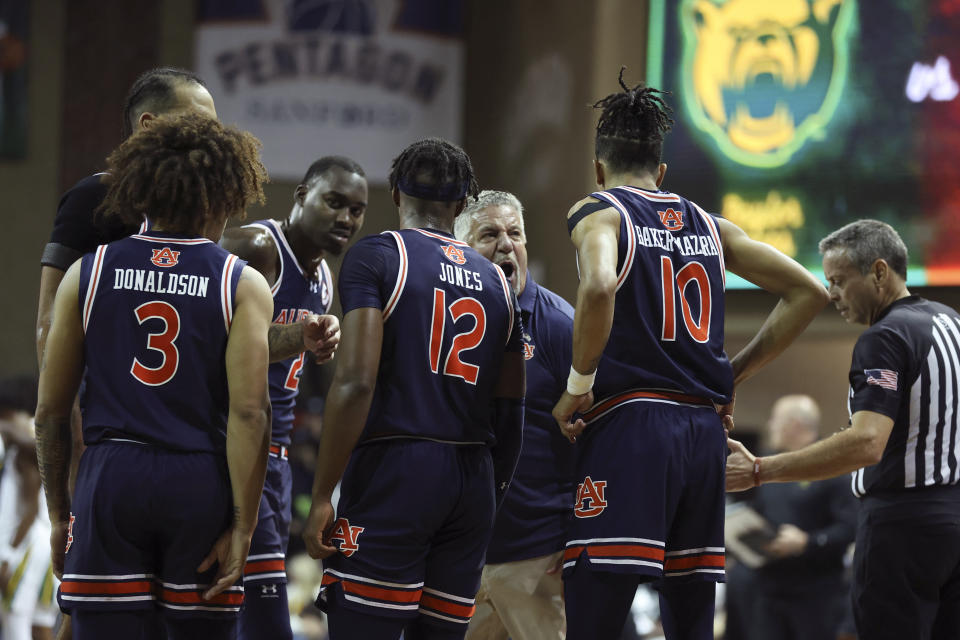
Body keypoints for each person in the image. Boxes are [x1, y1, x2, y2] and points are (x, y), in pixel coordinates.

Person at [552, 69, 829, 640]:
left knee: (596, 605)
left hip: (632, 425)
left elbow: (600, 285)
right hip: (702, 436)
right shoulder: (710, 224)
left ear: (599, 169)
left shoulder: (600, 210)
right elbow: (811, 291)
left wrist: (577, 386)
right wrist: (731, 375)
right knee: (691, 615)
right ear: (663, 171)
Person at [35, 113, 273, 639]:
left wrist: (58, 514)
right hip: (199, 479)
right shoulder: (242, 281)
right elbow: (251, 412)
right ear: (223, 196)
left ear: (142, 189)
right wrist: (243, 525)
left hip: (111, 478)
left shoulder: (88, 271)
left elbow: (51, 411)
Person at [302, 138, 526, 640]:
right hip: (472, 478)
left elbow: (356, 382)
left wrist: (322, 495)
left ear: (398, 196)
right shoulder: (499, 283)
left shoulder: (377, 257)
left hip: (396, 469)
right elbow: (511, 412)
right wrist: (490, 498)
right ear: (461, 203)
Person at [727, 219, 960, 640]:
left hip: (901, 526)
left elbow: (867, 442)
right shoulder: (949, 322)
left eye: (838, 280)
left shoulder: (885, 336)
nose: (831, 293)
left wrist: (761, 469)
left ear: (879, 272)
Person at [220, 155, 368, 639]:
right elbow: (204, 340)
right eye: (334, 202)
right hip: (230, 449)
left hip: (277, 463)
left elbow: (284, 355)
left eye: (357, 209)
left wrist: (315, 345)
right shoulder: (257, 247)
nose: (346, 218)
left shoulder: (324, 278)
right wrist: (297, 337)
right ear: (301, 195)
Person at [455, 191, 574, 640]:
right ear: (461, 249)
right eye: (489, 234)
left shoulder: (560, 325)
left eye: (515, 233)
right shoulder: (448, 319)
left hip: (536, 554)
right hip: (463, 553)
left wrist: (581, 532)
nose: (507, 244)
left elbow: (598, 436)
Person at [723, 395, 856, 640]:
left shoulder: (832, 467)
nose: (770, 425)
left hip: (817, 595)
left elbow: (850, 528)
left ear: (794, 424)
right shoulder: (769, 465)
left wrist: (807, 542)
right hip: (770, 589)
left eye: (775, 419)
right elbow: (761, 513)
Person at [0, 377, 58, 640]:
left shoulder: (29, 439)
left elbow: (30, 510)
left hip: (27, 546)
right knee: (39, 626)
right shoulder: (19, 443)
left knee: (15, 623)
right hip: (41, 544)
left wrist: (9, 556)